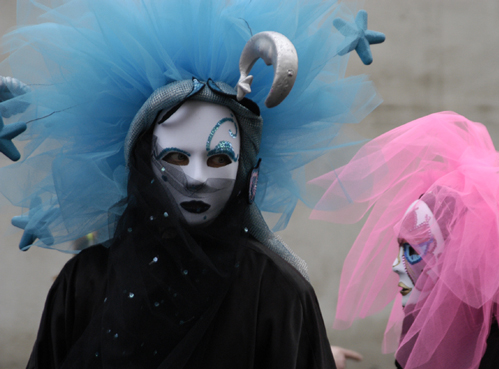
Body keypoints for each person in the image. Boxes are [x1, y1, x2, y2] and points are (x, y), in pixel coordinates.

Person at [0, 0, 384, 367]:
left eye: (219, 158)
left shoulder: (277, 292)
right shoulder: (84, 284)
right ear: (143, 162)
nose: (198, 179)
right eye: (176, 157)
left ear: (245, 169)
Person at [311, 111, 499, 368]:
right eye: (401, 250)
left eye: (413, 252)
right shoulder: (432, 343)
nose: (396, 266)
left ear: (456, 262)